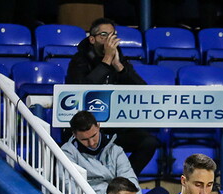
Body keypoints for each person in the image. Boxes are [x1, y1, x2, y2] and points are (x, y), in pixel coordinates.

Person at [64, 17, 159, 175]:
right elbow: (82, 90)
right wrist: (106, 60)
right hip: (88, 129)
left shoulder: (118, 57)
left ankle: (122, 180)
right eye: (104, 35)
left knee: (148, 142)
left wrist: (119, 66)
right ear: (92, 39)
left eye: (113, 35)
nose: (110, 40)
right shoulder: (79, 60)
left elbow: (142, 90)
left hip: (115, 125)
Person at [61, 110, 145, 194]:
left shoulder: (115, 150)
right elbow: (69, 185)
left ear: (98, 126)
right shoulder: (67, 152)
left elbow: (129, 179)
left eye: (93, 136)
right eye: (84, 139)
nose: (91, 143)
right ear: (74, 135)